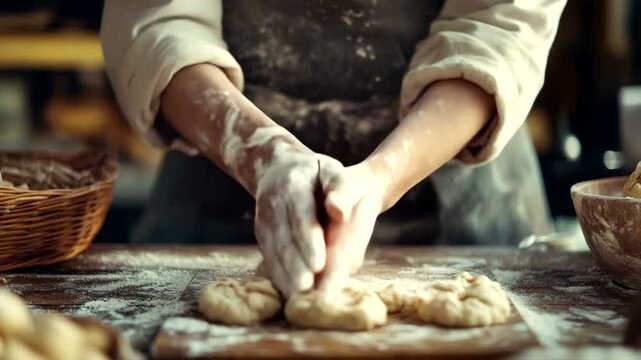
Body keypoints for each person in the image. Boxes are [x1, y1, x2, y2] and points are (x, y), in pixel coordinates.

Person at [101, 0, 566, 297]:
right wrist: (259, 151)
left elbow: (500, 26)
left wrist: (383, 176)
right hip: (218, 187)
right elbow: (159, 20)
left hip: (463, 209)